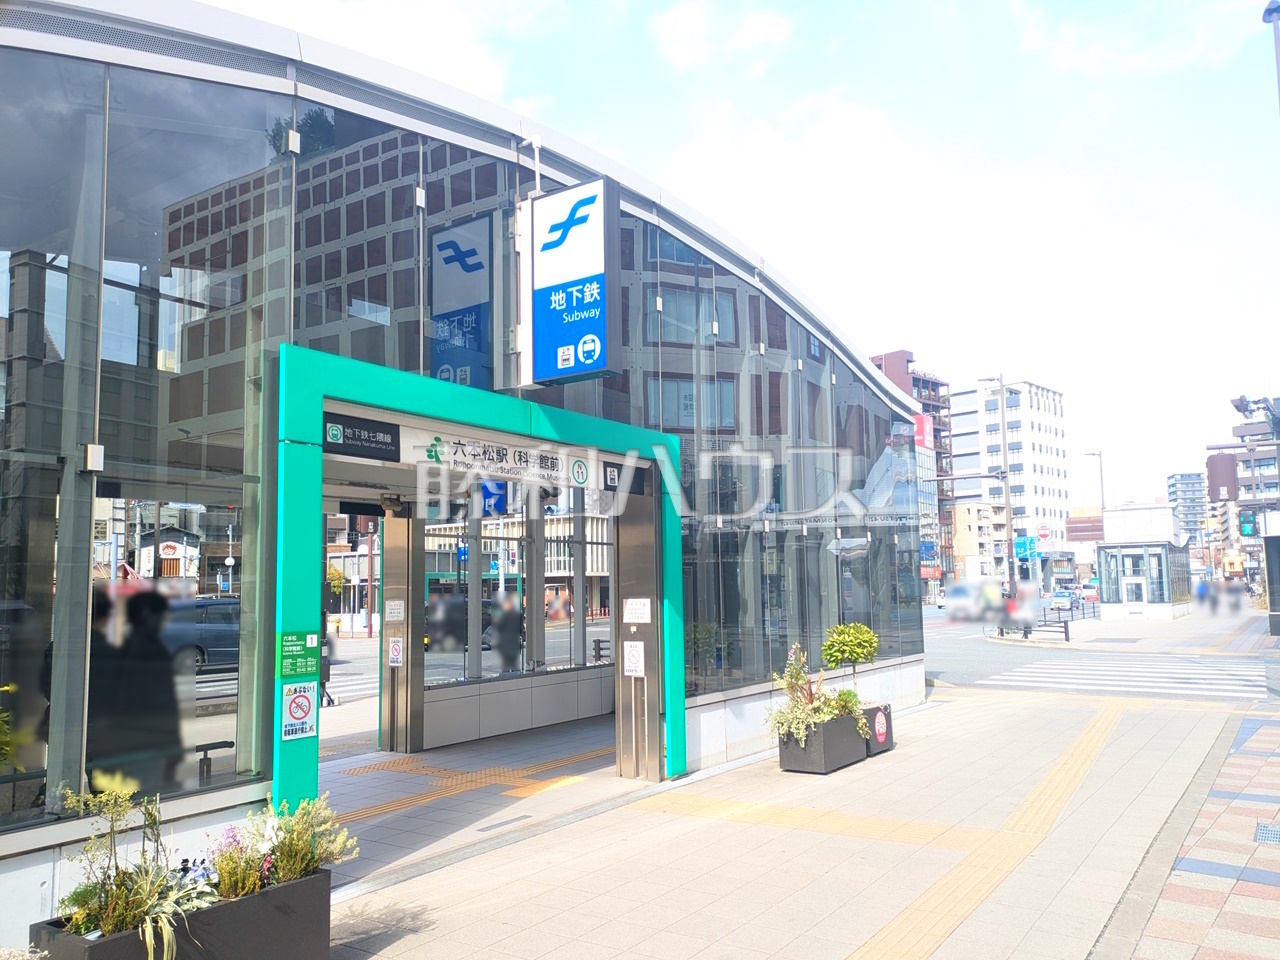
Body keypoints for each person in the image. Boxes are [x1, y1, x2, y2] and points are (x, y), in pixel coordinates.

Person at [110, 592, 183, 795]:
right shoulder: (150, 651)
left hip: (129, 739)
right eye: (161, 616)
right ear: (147, 616)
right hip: (147, 741)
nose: (163, 622)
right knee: (146, 798)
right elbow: (162, 703)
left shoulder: (125, 647)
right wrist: (172, 746)